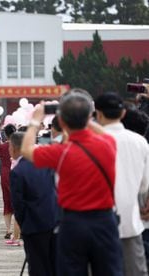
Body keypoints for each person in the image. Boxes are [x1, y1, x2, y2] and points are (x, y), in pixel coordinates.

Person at [21, 89, 123, 275]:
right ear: (89, 118)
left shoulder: (61, 153)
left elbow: (26, 150)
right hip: (105, 221)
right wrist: (86, 115)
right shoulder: (108, 144)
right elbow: (103, 132)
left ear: (61, 122)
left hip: (73, 223)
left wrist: (36, 120)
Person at [95, 92, 149, 276]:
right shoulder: (140, 143)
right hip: (130, 223)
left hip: (95, 227)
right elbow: (144, 186)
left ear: (98, 114)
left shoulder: (91, 142)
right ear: (123, 113)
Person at [9, 131, 58, 276]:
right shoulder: (46, 162)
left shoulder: (18, 171)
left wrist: (24, 224)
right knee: (53, 265)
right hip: (53, 221)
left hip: (33, 224)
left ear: (16, 148)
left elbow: (18, 204)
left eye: (10, 146)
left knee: (37, 267)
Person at [0, 124, 16, 239]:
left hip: (5, 174)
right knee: (18, 201)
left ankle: (8, 229)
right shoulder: (19, 146)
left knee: (7, 201)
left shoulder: (2, 147)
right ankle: (18, 229)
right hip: (17, 173)